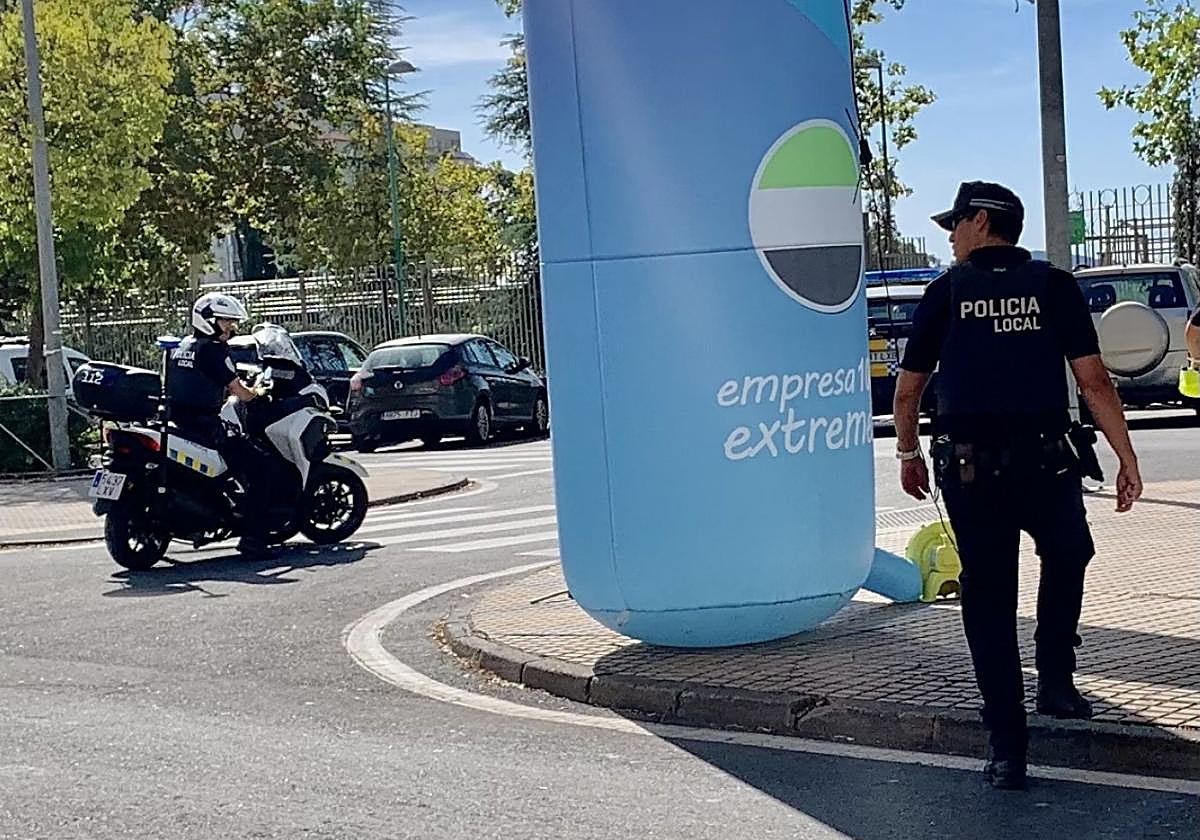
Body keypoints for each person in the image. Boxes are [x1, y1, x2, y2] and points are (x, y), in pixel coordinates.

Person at [892, 181, 1143, 790]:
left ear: (981, 222)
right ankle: (1055, 679)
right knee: (1069, 554)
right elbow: (1094, 382)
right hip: (1047, 466)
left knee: (988, 598)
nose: (951, 236)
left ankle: (1008, 747)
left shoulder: (946, 292)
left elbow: (908, 390)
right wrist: (1125, 457)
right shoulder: (1054, 286)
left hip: (972, 473)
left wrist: (907, 452)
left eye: (956, 223)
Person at [166, 293, 273, 557]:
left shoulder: (183, 346)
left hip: (178, 421)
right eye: (225, 321)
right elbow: (238, 391)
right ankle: (254, 539)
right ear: (207, 320)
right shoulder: (213, 350)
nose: (231, 328)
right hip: (206, 425)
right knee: (261, 468)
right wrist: (259, 394)